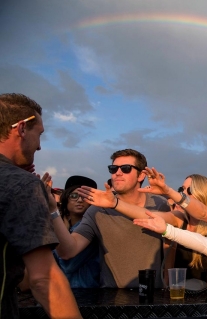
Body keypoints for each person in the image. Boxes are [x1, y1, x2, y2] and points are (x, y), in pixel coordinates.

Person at [0, 93, 80, 318]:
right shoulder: (20, 184)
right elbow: (44, 279)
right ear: (22, 128)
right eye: (40, 134)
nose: (40, 147)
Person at [79, 168, 207, 286]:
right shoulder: (179, 219)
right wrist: (115, 204)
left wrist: (168, 191)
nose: (183, 193)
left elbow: (202, 213)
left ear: (204, 193)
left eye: (188, 190)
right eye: (181, 189)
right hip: (182, 297)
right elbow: (147, 214)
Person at [53, 149, 171, 288]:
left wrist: (167, 280)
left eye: (126, 168)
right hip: (113, 299)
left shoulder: (159, 204)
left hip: (153, 295)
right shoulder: (97, 210)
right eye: (113, 168)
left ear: (141, 175)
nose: (118, 173)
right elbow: (68, 252)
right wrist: (52, 212)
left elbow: (170, 243)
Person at [54, 175, 100, 288]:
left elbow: (67, 264)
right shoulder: (61, 225)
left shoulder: (92, 228)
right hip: (62, 291)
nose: (79, 200)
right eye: (74, 196)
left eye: (85, 196)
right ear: (65, 198)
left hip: (84, 291)